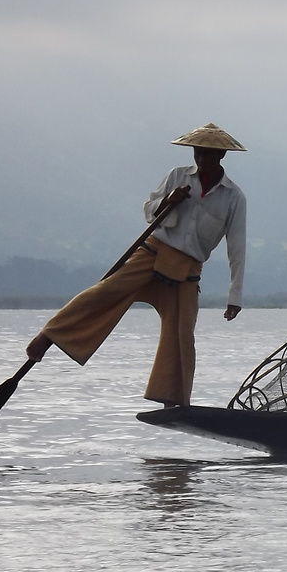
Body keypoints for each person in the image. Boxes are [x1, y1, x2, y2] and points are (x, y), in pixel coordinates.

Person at [24, 123, 248, 406]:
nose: (202, 160)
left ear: (221, 157)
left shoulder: (234, 197)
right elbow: (149, 211)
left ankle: (173, 399)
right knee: (106, 292)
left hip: (188, 270)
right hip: (153, 252)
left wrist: (234, 296)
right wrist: (168, 200)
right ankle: (49, 335)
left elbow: (237, 247)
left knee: (182, 335)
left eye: (208, 155)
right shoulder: (177, 176)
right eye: (198, 153)